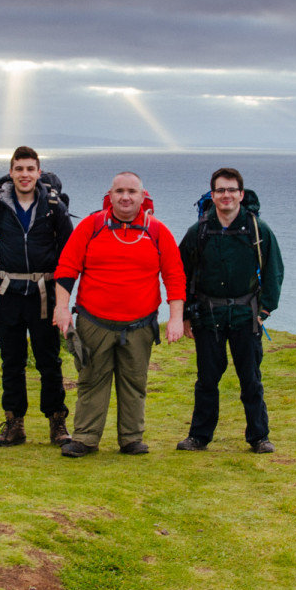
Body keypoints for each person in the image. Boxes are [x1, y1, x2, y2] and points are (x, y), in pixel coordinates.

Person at [52, 172, 186, 457]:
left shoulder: (157, 231)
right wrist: (61, 308)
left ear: (142, 196)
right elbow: (66, 269)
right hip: (93, 321)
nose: (126, 197)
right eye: (120, 191)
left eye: (132, 192)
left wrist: (176, 318)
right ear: (110, 196)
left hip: (140, 325)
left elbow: (174, 276)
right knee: (90, 379)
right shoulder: (91, 226)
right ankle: (85, 438)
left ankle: (131, 438)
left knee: (135, 382)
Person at [176, 168, 284, 454]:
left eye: (232, 190)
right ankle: (199, 436)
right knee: (207, 378)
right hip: (207, 315)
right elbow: (180, 273)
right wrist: (185, 314)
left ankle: (259, 437)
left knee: (251, 378)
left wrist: (266, 310)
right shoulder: (198, 231)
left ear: (241, 194)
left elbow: (274, 270)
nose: (226, 195)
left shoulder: (258, 229)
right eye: (221, 190)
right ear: (213, 195)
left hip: (246, 315)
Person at [0, 146, 74, 447]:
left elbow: (68, 257)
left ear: (39, 172)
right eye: (19, 169)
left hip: (45, 295)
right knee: (11, 362)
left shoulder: (54, 207)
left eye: (30, 169)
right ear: (11, 172)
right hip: (9, 294)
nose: (25, 175)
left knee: (49, 361)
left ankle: (57, 423)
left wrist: (63, 304)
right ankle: (13, 424)